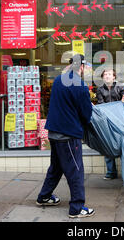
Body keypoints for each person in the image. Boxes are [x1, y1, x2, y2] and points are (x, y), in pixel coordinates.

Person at [36, 54, 95, 218]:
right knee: (75, 170)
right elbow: (86, 114)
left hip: (53, 132)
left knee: (56, 167)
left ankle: (44, 196)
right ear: (81, 67)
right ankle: (76, 207)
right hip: (68, 134)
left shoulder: (58, 80)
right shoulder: (80, 85)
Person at [96, 68, 124, 181]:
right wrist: (119, 104)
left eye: (109, 74)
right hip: (107, 123)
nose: (107, 76)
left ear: (114, 77)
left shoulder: (121, 87)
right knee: (107, 146)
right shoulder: (100, 90)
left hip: (121, 121)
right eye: (105, 74)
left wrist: (121, 104)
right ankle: (111, 172)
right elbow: (101, 107)